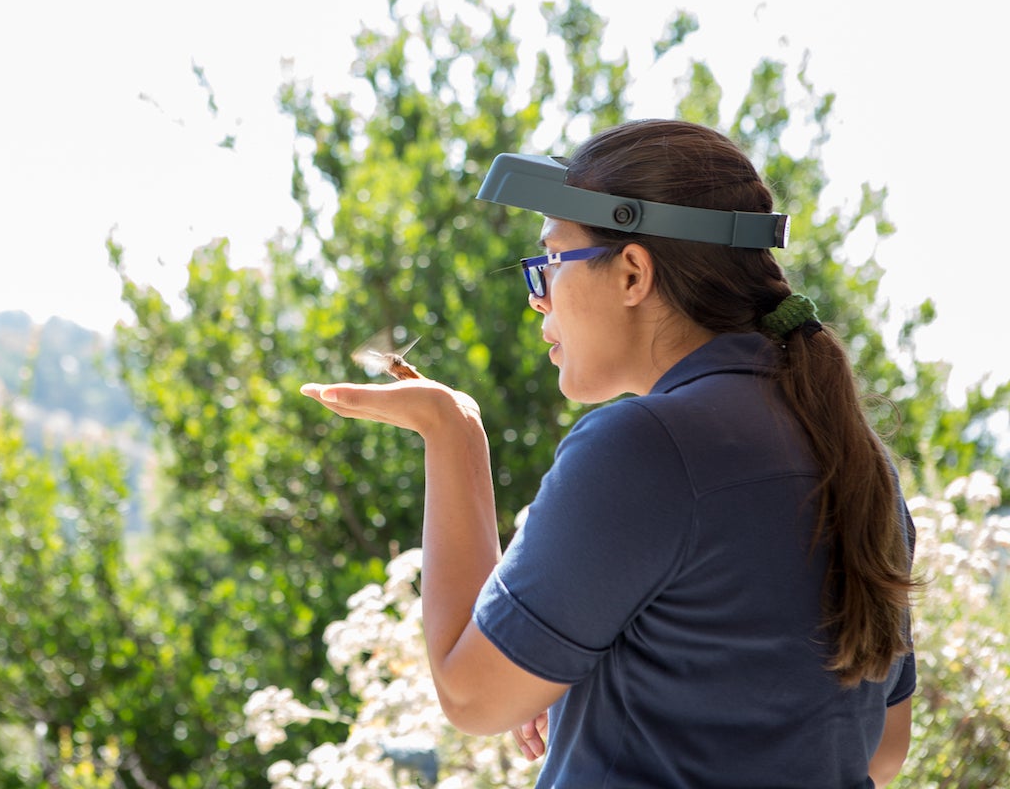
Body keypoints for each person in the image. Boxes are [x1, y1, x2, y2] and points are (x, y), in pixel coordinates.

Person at [300, 119, 917, 787]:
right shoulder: (854, 457)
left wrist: (454, 433)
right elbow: (880, 750)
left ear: (631, 273)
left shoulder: (645, 449)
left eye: (550, 264)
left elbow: (471, 694)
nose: (539, 300)